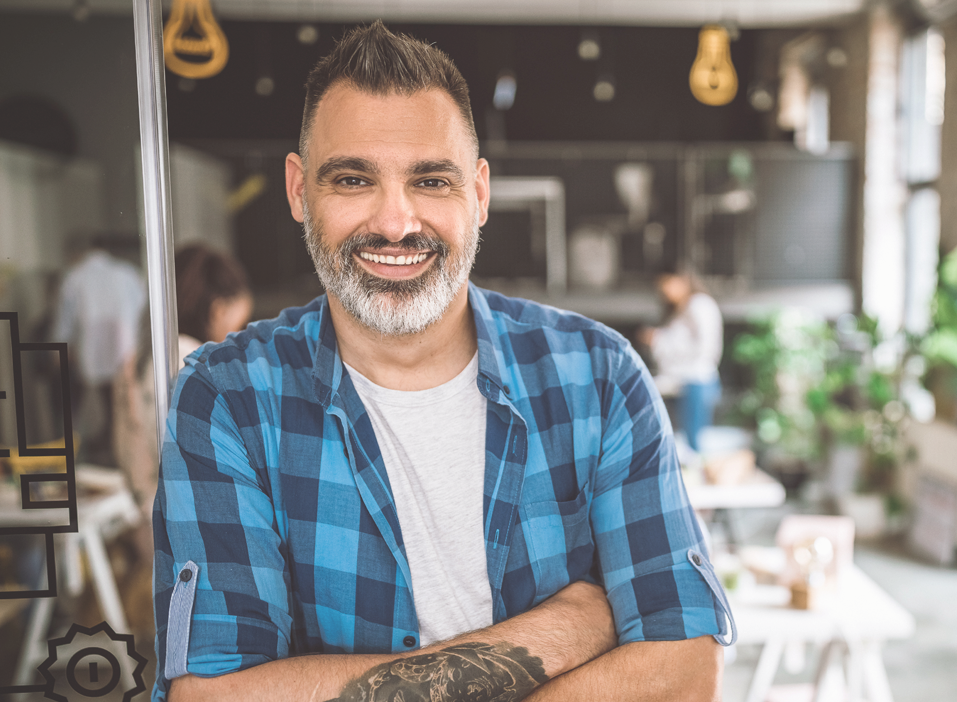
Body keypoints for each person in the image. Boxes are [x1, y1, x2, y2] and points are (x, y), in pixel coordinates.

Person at [153, 21, 733, 702]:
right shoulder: (226, 398)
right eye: (352, 179)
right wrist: (566, 630)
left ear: (479, 195)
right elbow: (211, 697)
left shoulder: (598, 377)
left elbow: (686, 672)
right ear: (298, 190)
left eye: (430, 180)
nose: (396, 222)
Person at [113, 245, 252, 566]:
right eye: (240, 321)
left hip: (148, 517)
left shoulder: (141, 358)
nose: (240, 333)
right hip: (190, 532)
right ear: (218, 310)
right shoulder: (199, 364)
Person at [51, 237, 147, 464]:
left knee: (75, 411)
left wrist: (59, 351)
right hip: (125, 353)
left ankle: (75, 460)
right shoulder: (128, 273)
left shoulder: (74, 277)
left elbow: (64, 322)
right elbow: (144, 313)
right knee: (118, 411)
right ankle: (119, 461)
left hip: (89, 356)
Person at [638, 272, 724, 453]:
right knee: (680, 443)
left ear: (683, 280)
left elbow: (705, 347)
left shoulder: (699, 304)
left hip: (696, 381)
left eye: (667, 284)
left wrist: (658, 339)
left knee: (694, 445)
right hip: (680, 382)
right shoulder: (678, 311)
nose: (665, 291)